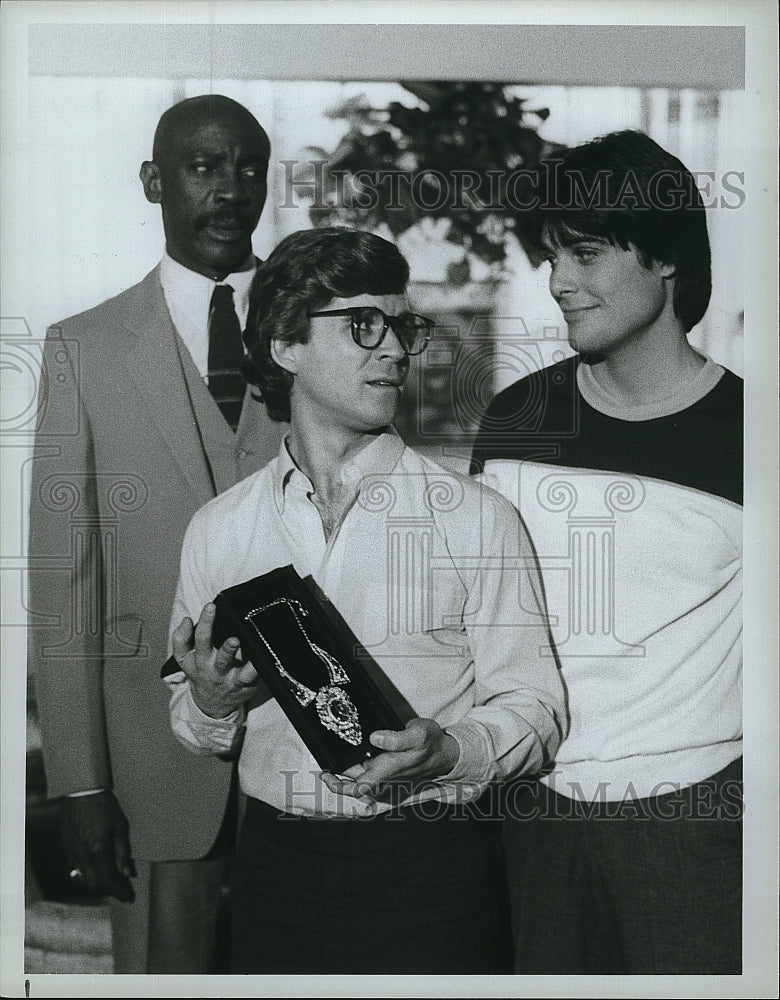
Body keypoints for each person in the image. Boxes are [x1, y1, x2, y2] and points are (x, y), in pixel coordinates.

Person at [164, 227, 566, 975]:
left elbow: (536, 708)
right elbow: (188, 715)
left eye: (400, 325)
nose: (395, 350)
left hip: (434, 867)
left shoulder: (474, 516)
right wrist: (213, 703)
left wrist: (449, 750)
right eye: (362, 325)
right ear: (285, 346)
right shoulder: (219, 529)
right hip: (274, 869)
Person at [470, 130, 743, 974]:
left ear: (665, 259)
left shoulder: (750, 435)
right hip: (532, 814)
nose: (558, 282)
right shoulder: (517, 419)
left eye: (585, 253)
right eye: (553, 257)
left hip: (698, 823)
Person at [27, 94, 284, 973]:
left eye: (249, 166)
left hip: (312, 759)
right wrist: (82, 781)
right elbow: (66, 580)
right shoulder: (84, 348)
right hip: (149, 760)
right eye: (204, 167)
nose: (231, 188)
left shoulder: (317, 333)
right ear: (154, 181)